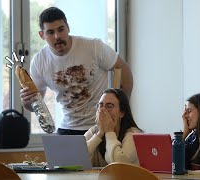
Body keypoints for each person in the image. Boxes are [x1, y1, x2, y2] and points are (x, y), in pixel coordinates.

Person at [19, 7, 133, 135]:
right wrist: (26, 101)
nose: (57, 36)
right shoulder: (40, 61)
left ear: (68, 27)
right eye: (50, 32)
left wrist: (122, 108)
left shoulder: (93, 47)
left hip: (101, 125)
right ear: (42, 35)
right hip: (68, 127)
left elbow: (123, 69)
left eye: (61, 29)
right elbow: (35, 106)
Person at [84, 88, 142, 167]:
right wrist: (99, 134)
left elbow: (119, 164)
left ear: (122, 113)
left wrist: (109, 132)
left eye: (109, 106)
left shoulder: (134, 134)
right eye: (100, 105)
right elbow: (77, 157)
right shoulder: (94, 131)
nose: (103, 110)